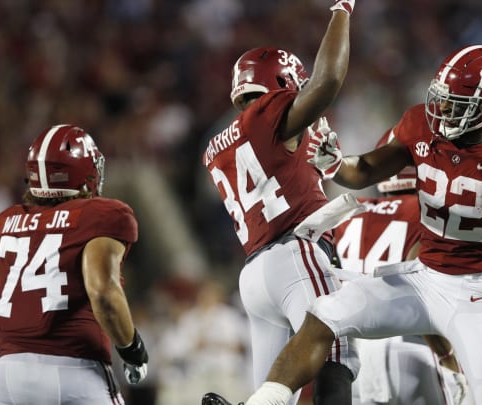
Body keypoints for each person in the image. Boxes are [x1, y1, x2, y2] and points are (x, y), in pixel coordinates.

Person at [213, 44, 482, 405]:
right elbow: (367, 169)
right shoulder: (420, 124)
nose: (444, 112)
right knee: (324, 316)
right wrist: (336, 164)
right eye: (444, 100)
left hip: (475, 293)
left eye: (458, 104)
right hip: (422, 277)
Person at [200, 1, 358, 405]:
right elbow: (328, 82)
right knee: (336, 354)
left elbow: (279, 175)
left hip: (255, 275)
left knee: (276, 393)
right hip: (295, 255)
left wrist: (321, 168)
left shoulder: (222, 142)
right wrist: (342, 9)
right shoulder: (269, 115)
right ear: (286, 84)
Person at [0, 124, 149, 404]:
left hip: (7, 378)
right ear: (83, 173)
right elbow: (103, 294)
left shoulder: (6, 223)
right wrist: (132, 349)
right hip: (72, 371)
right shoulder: (101, 215)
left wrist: (29, 334)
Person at [333, 129, 469, 405]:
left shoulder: (346, 212)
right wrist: (449, 358)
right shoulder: (429, 215)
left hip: (354, 358)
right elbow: (425, 298)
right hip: (413, 349)